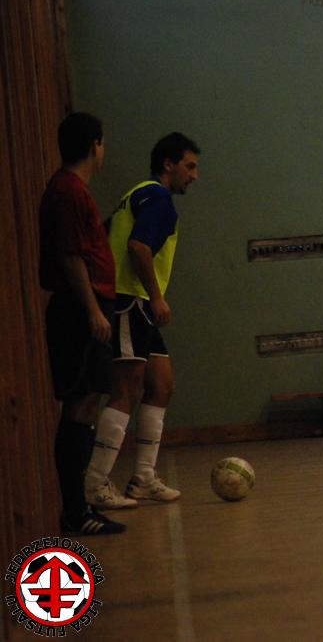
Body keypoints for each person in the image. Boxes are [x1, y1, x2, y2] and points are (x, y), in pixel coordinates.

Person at [84, 132, 200, 509]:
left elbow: (105, 235)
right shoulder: (158, 197)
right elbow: (138, 246)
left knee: (162, 386)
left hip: (138, 305)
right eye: (189, 166)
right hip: (131, 300)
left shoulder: (136, 194)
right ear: (168, 164)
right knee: (126, 390)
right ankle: (95, 483)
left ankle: (143, 479)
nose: (194, 175)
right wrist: (156, 296)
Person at [39, 112, 125, 535]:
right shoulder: (69, 191)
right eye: (103, 143)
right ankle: (76, 511)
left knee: (88, 404)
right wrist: (92, 309)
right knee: (79, 406)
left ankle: (81, 506)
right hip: (79, 311)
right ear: (95, 145)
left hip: (86, 307)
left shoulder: (72, 191)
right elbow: (72, 256)